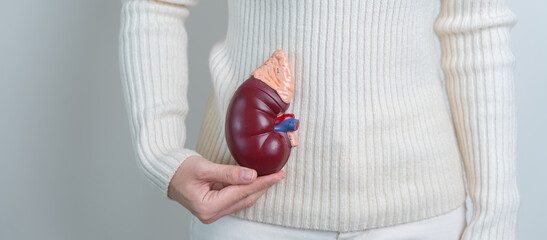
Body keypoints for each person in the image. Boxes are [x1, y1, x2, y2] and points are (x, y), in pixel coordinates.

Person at [118, 0, 520, 239]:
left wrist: (495, 219)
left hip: (421, 216)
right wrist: (161, 154)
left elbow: (476, 27)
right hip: (247, 210)